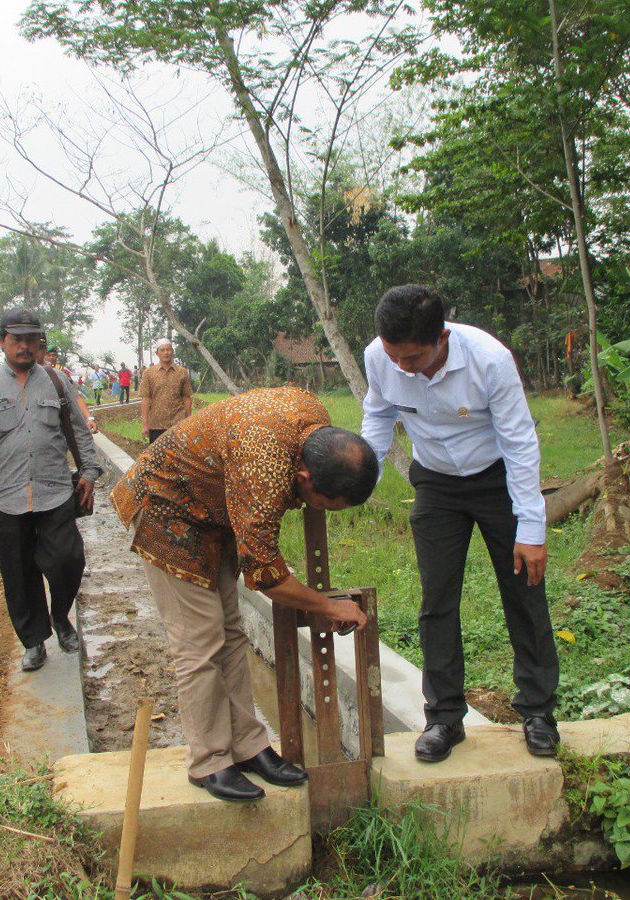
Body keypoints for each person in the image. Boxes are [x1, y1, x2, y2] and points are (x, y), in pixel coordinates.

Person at [111, 386, 377, 802]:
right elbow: (266, 575)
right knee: (199, 642)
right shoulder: (264, 467)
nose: (319, 511)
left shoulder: (312, 415)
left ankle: (248, 745)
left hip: (211, 508)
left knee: (231, 633)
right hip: (167, 508)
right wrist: (327, 605)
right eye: (325, 504)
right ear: (305, 478)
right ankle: (209, 761)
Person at [360, 285, 560, 761]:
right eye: (395, 357)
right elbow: (378, 412)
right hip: (436, 482)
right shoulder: (379, 356)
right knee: (437, 599)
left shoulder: (489, 360)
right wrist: (361, 477)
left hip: (496, 479)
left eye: (414, 358)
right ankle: (445, 718)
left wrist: (531, 530)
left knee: (524, 592)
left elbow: (519, 441)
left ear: (442, 337)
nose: (404, 368)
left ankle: (538, 711)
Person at [0, 308, 103, 672]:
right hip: (6, 495)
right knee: (18, 574)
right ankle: (33, 641)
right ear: (2, 341)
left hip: (54, 490)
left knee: (68, 560)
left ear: (40, 343)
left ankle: (61, 618)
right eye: (16, 339)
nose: (24, 347)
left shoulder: (55, 381)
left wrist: (89, 471)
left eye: (31, 340)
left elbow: (78, 430)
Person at [139, 338, 192, 443]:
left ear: (172, 351)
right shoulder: (148, 373)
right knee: (158, 458)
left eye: (168, 350)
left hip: (178, 423)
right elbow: (146, 399)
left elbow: (186, 397)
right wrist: (145, 425)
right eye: (162, 350)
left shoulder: (182, 372)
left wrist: (189, 421)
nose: (166, 353)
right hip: (156, 424)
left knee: (178, 457)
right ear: (157, 353)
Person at [45, 345, 97, 433]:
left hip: (62, 415)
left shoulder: (63, 372)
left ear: (57, 357)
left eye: (53, 355)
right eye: (48, 355)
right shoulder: (36, 372)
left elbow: (75, 395)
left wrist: (89, 418)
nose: (51, 358)